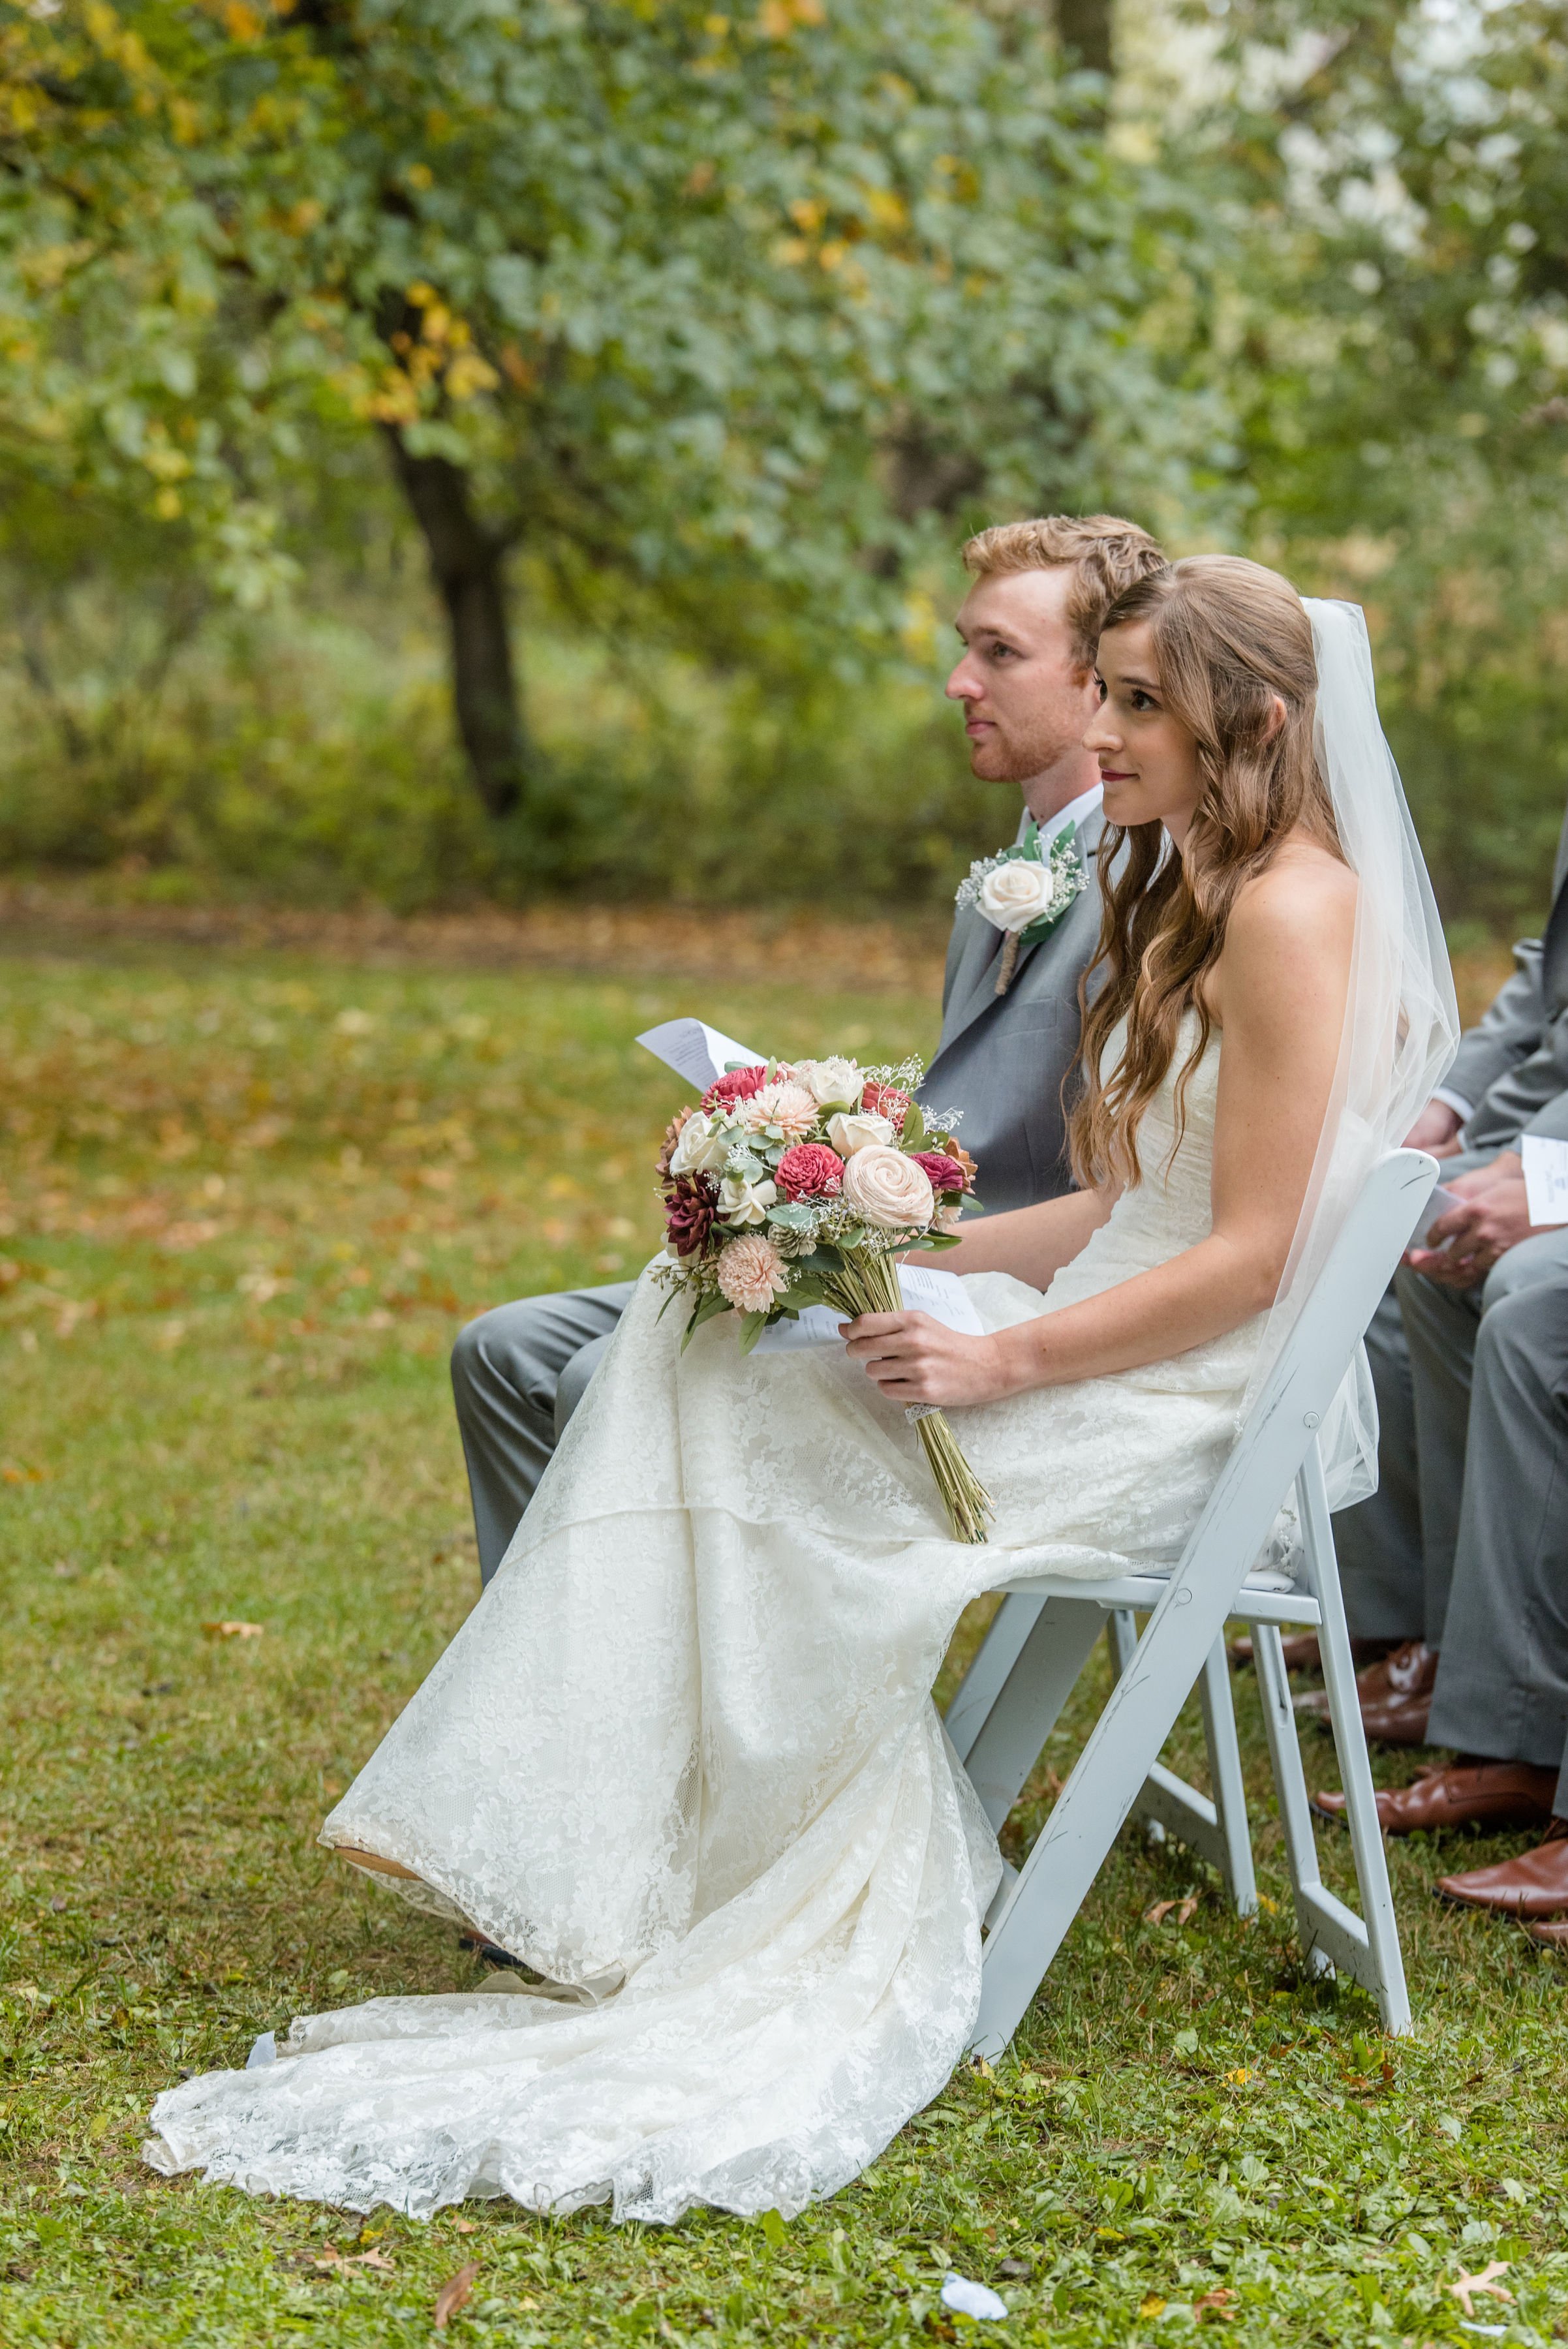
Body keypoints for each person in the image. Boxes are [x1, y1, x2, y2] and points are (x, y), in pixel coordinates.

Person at [144, 561, 1454, 2224]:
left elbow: (1252, 1254)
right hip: (1112, 1313)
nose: (1103, 734)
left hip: (1169, 1392)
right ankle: (609, 1824)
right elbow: (1125, 1212)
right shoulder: (1200, 882)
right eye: (1107, 693)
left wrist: (995, 1354)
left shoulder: (1286, 912)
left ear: (1251, 723)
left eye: (1137, 702)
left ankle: (663, 1848)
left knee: (731, 1397)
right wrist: (906, 1238)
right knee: (704, 1333)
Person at [450, 514, 1167, 1586]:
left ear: (1098, 682)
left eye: (999, 653)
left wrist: (865, 1245)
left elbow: (1118, 1190)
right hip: (905, 1253)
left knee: (607, 1374)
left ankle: (656, 1684)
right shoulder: (1005, 882)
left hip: (1010, 1297)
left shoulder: (1150, 886)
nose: (957, 682)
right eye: (965, 644)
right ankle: (550, 1670)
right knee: (502, 1351)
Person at [1316, 798, 1568, 1749]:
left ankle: (1499, 1693)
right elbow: (1552, 968)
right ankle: (1415, 1625)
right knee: (1390, 1209)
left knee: (1523, 1294)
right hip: (1540, 1116)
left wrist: (1552, 1180)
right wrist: (1452, 1104)